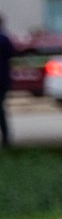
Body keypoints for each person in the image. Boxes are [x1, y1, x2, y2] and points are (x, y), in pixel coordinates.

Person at [0, 12, 14, 149]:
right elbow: (12, 53)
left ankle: (6, 138)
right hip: (3, 79)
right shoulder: (4, 39)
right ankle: (6, 138)